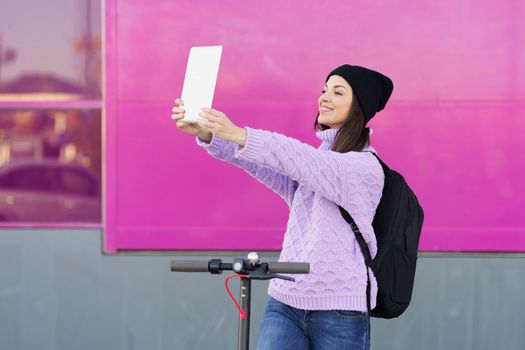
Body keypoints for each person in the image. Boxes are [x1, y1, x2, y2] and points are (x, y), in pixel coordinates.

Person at [171, 64, 393, 350]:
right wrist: (211, 136)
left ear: (360, 107)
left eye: (338, 92)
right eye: (324, 89)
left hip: (339, 308)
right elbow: (273, 167)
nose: (324, 97)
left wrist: (238, 133)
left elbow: (294, 157)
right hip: (286, 299)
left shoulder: (362, 167)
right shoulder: (320, 159)